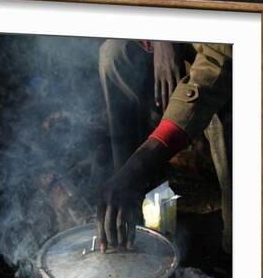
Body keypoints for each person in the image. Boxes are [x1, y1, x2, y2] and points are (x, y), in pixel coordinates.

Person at [97, 39, 232, 254]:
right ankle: (127, 200)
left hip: (223, 60)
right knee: (114, 55)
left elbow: (219, 63)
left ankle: (236, 241)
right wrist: (161, 37)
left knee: (226, 102)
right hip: (176, 42)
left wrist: (143, 162)